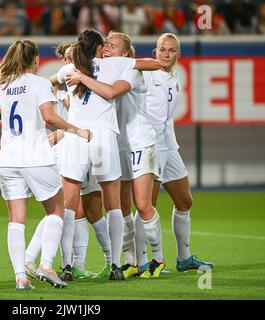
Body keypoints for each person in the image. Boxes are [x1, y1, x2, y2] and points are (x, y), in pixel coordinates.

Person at [0, 39, 91, 290]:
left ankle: (20, 276)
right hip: (37, 158)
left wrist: (2, 150)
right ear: (35, 60)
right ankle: (46, 264)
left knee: (16, 220)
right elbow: (49, 118)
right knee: (55, 210)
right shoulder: (40, 83)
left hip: (9, 161)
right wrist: (77, 129)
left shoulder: (1, 86)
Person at [57, 28, 161, 280]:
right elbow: (154, 63)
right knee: (112, 204)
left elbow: (51, 82)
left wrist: (74, 81)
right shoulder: (116, 64)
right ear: (99, 47)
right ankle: (116, 265)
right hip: (103, 136)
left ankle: (67, 265)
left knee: (69, 205)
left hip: (76, 136)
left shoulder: (69, 69)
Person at [144, 33, 214, 272]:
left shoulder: (175, 78)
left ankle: (183, 258)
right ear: (155, 52)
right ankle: (144, 261)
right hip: (151, 145)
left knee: (184, 201)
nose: (166, 54)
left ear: (178, 54)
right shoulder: (145, 74)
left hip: (169, 145)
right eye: (162, 49)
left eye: (171, 50)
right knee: (147, 205)